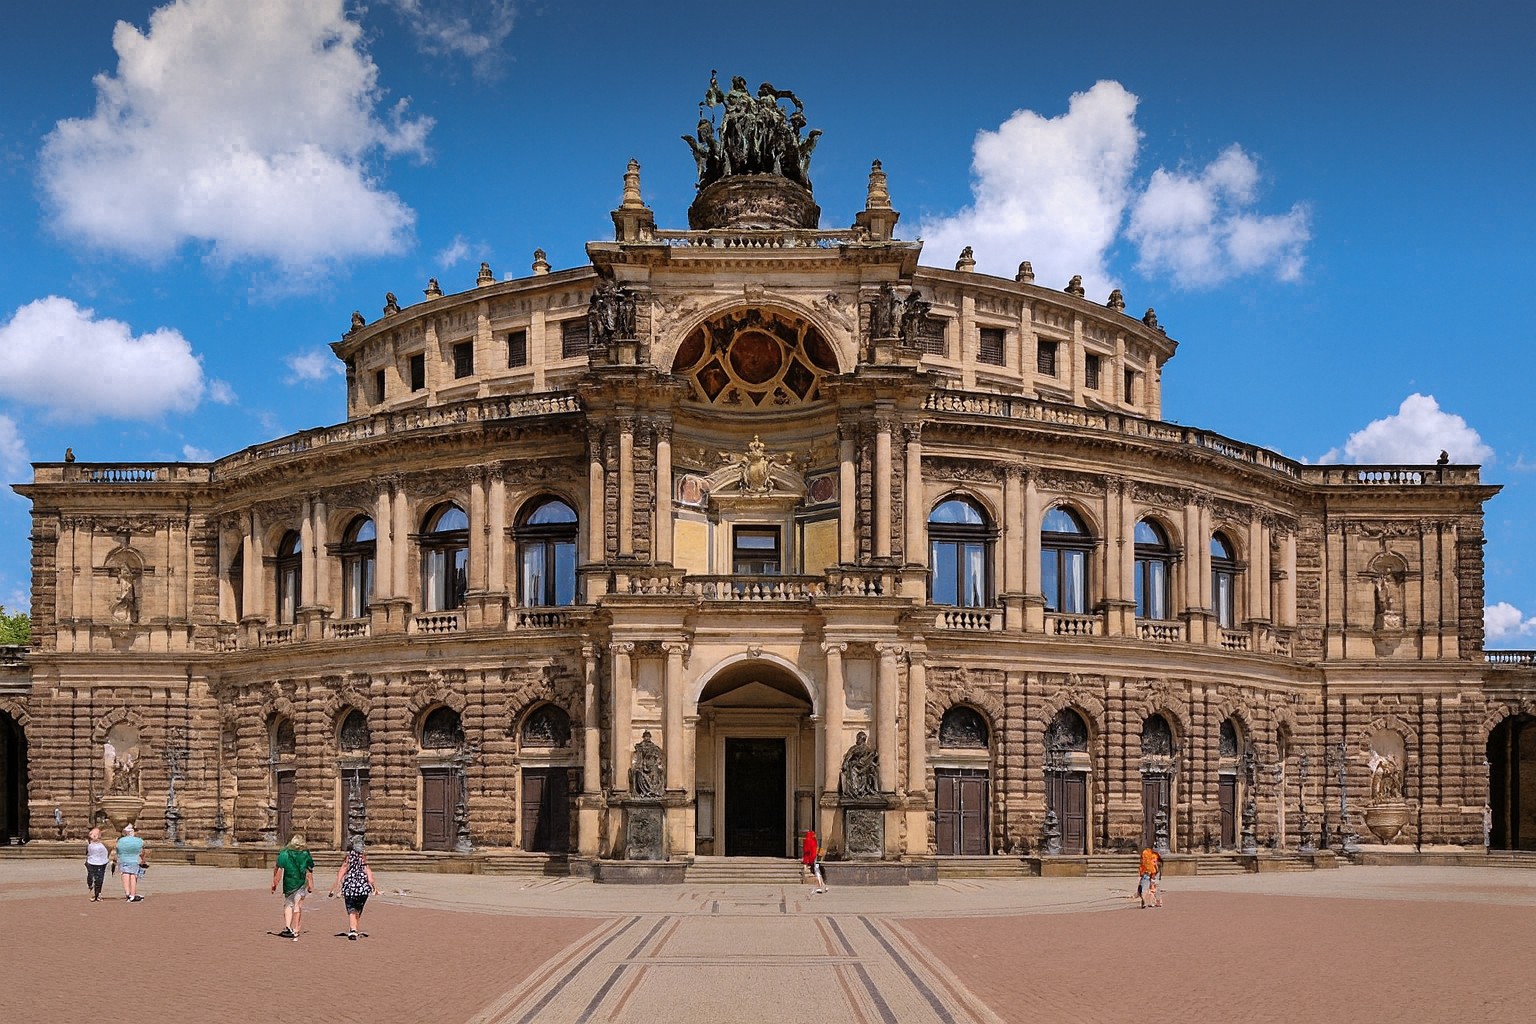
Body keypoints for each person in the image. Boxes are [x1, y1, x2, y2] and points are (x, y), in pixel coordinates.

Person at [328, 836, 377, 940]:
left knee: (351, 908)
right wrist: (374, 887)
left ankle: (353, 930)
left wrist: (336, 885)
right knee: (358, 908)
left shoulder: (348, 858)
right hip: (363, 887)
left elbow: (342, 870)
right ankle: (354, 928)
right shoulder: (363, 858)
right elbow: (368, 873)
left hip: (350, 886)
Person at [271, 834, 315, 940]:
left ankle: (287, 926)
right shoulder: (306, 854)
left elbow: (278, 870)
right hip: (301, 883)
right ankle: (296, 929)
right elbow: (309, 871)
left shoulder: (284, 854)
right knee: (297, 905)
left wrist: (274, 883)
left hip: (289, 883)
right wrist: (310, 884)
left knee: (288, 905)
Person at [111, 824, 146, 901]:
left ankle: (127, 893)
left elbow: (117, 850)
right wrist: (143, 859)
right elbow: (142, 851)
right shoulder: (139, 841)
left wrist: (116, 858)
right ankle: (133, 894)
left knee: (125, 874)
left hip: (123, 859)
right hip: (134, 860)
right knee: (133, 876)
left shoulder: (121, 840)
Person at [85, 827, 110, 902]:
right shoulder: (89, 843)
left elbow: (109, 850)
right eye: (93, 834)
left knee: (100, 878)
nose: (95, 835)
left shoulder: (104, 843)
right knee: (91, 877)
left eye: (97, 834)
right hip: (91, 862)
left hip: (102, 862)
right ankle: (91, 887)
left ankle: (97, 893)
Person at [802, 827, 827, 895]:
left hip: (814, 859)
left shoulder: (809, 841)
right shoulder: (813, 841)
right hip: (816, 859)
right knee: (818, 871)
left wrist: (808, 862)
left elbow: (807, 851)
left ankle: (820, 886)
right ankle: (823, 885)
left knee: (817, 872)